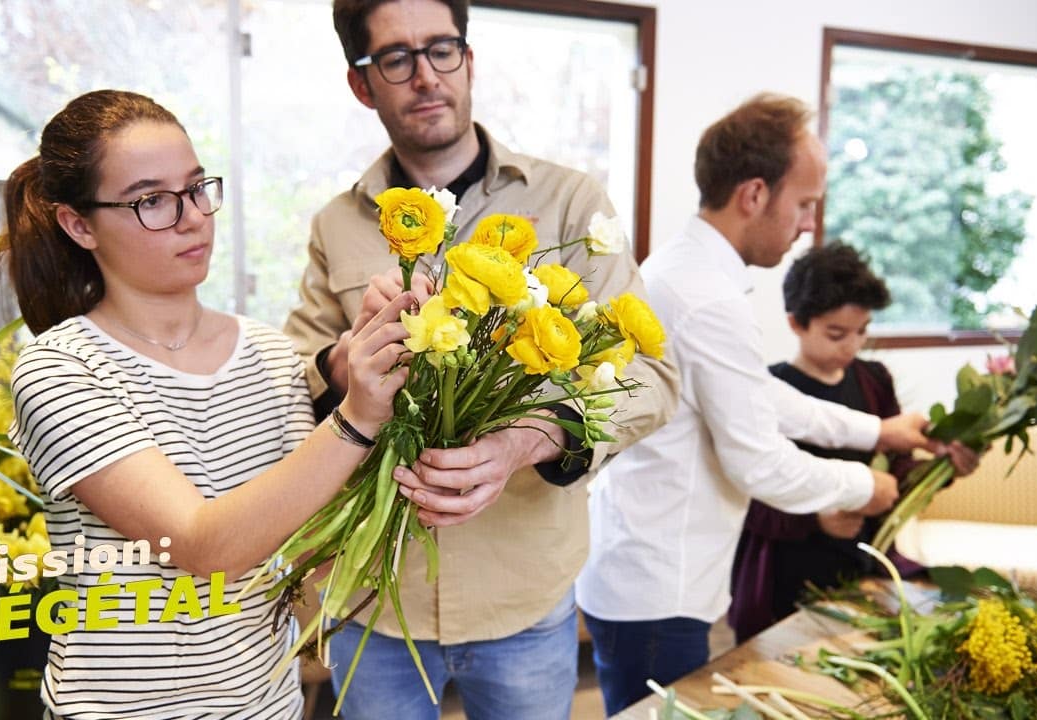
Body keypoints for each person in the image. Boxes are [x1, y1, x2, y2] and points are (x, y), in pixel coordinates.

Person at [281, 1, 678, 717]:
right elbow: (294, 378)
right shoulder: (337, 224)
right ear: (362, 84)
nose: (426, 76)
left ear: (470, 60)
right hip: (376, 601)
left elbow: (652, 378)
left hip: (524, 593)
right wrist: (350, 357)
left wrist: (532, 437)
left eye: (442, 49)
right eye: (396, 59)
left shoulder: (570, 204)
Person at [2, 89, 413, 720]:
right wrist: (356, 418)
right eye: (152, 201)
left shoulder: (272, 355)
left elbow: (301, 553)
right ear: (78, 224)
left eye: (197, 188)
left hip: (266, 705)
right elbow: (204, 546)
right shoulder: (62, 368)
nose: (192, 216)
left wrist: (404, 473)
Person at [574, 94, 937, 716]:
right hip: (661, 585)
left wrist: (879, 432)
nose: (806, 226)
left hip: (643, 570)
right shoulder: (708, 297)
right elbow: (759, 462)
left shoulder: (683, 270)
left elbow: (760, 396)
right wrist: (863, 488)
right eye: (804, 205)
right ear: (753, 194)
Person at [726, 243, 980, 644]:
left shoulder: (873, 380)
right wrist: (815, 517)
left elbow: (896, 474)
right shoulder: (769, 390)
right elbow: (748, 496)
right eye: (836, 334)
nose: (852, 346)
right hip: (786, 575)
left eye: (862, 331)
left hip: (863, 566)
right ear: (796, 323)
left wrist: (943, 467)